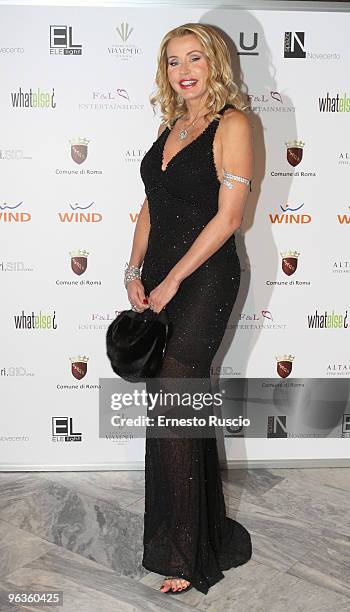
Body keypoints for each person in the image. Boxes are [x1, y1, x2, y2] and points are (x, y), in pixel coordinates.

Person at [124, 23, 253, 595]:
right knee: (172, 406)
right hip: (160, 277)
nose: (184, 69)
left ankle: (185, 555)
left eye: (194, 57)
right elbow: (150, 207)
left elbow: (229, 219)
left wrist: (174, 280)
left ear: (215, 62)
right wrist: (134, 270)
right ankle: (192, 532)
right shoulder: (171, 127)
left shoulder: (235, 124)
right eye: (174, 61)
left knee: (177, 399)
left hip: (204, 278)